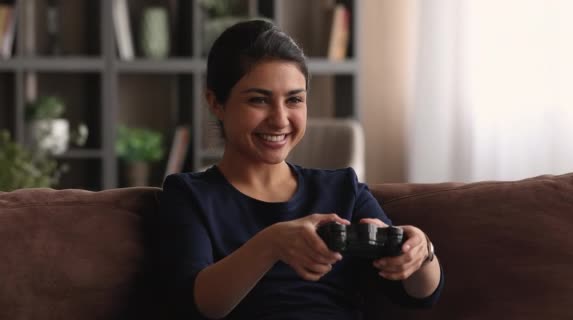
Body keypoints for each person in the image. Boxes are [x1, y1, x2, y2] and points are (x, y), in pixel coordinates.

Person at [158, 19, 444, 320]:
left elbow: (418, 295)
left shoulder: (343, 189)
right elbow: (194, 305)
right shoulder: (189, 195)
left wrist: (422, 251)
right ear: (216, 103)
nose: (280, 119)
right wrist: (271, 245)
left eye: (294, 99)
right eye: (258, 100)